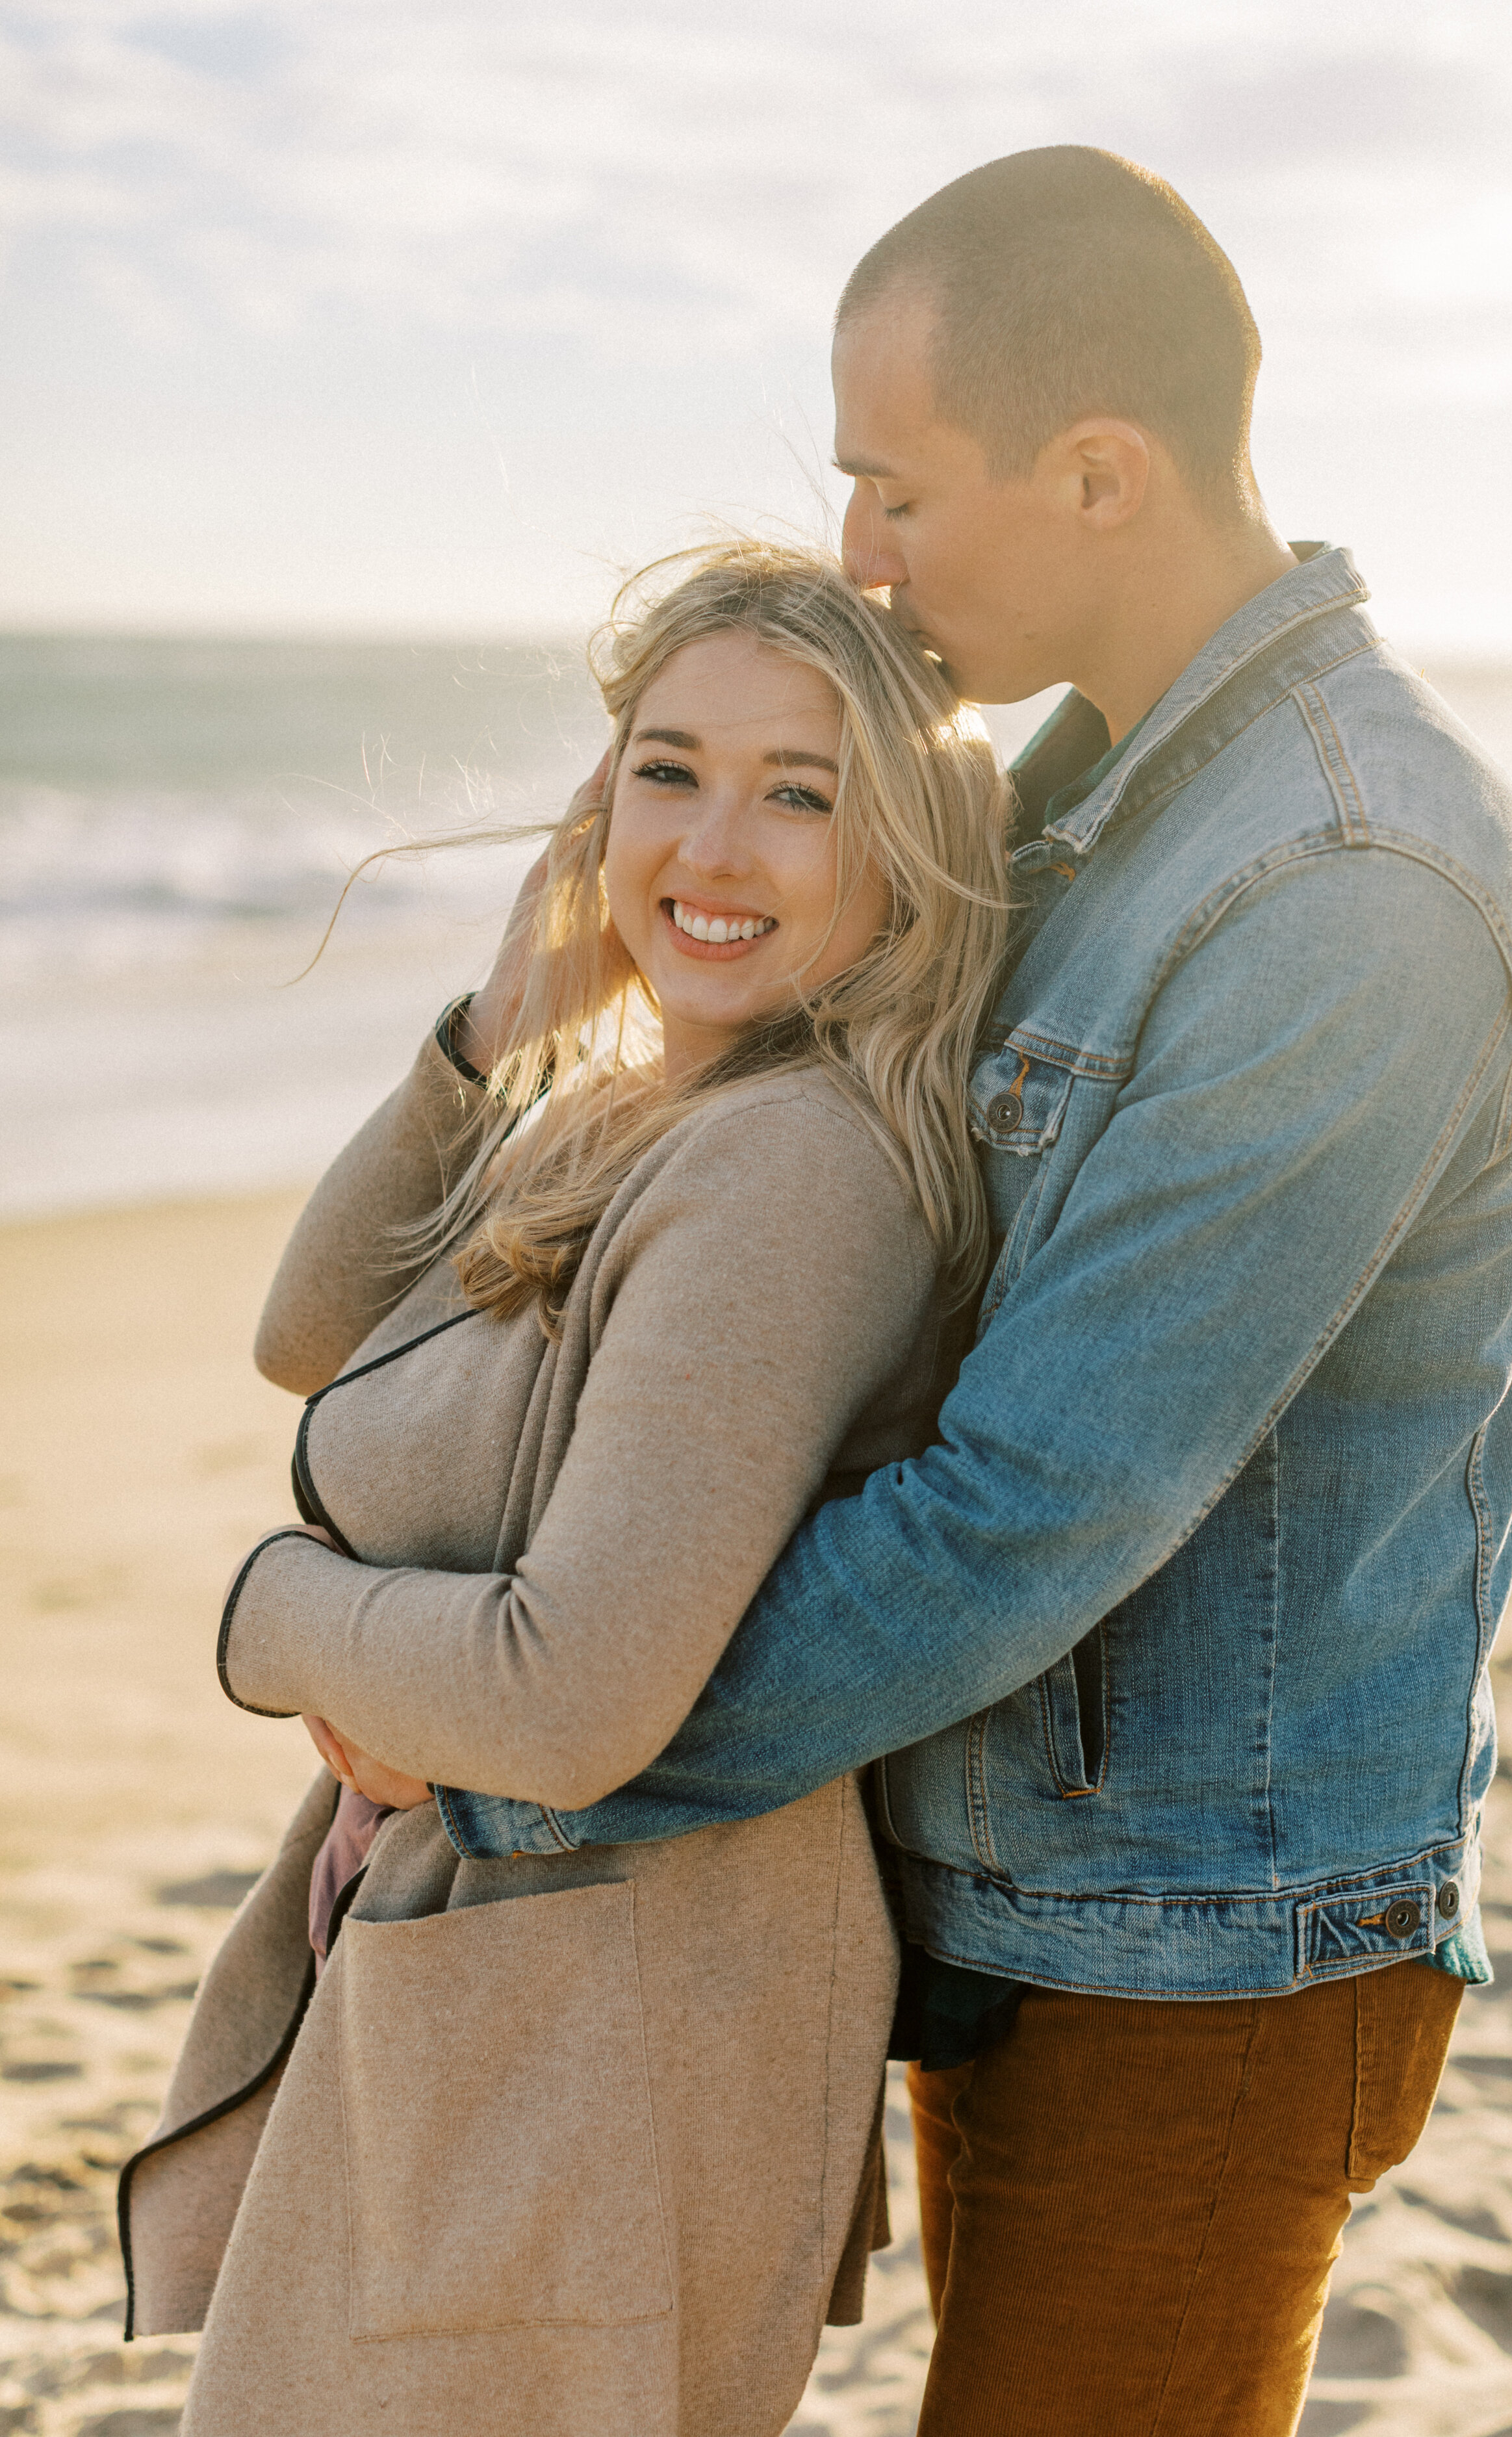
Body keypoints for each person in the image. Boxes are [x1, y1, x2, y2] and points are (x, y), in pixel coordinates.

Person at [463, 151, 1512, 2434]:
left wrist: (528, 1764)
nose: (861, 554)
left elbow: (1028, 1506)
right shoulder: (1069, 812)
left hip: (1202, 1948)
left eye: (892, 489)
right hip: (1007, 1890)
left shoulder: (1341, 878)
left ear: (1097, 472)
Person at [118, 542, 1012, 2437]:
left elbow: (567, 1694)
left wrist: (268, 1617)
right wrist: (494, 1027)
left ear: (901, 847)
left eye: (803, 792)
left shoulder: (789, 1168)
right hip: (514, 1985)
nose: (713, 844)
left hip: (614, 2025)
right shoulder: (632, 1107)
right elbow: (309, 1333)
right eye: (667, 771)